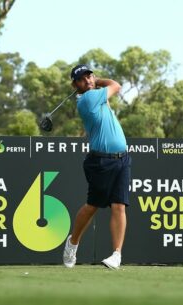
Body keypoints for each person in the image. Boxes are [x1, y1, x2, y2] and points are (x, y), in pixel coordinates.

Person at [63, 64, 131, 270]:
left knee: (119, 205)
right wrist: (99, 81)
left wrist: (93, 81)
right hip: (100, 161)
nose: (89, 81)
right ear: (75, 85)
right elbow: (116, 85)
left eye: (90, 77)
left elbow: (110, 87)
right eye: (83, 79)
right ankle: (72, 242)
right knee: (92, 206)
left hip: (122, 158)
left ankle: (116, 255)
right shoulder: (88, 99)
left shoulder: (96, 95)